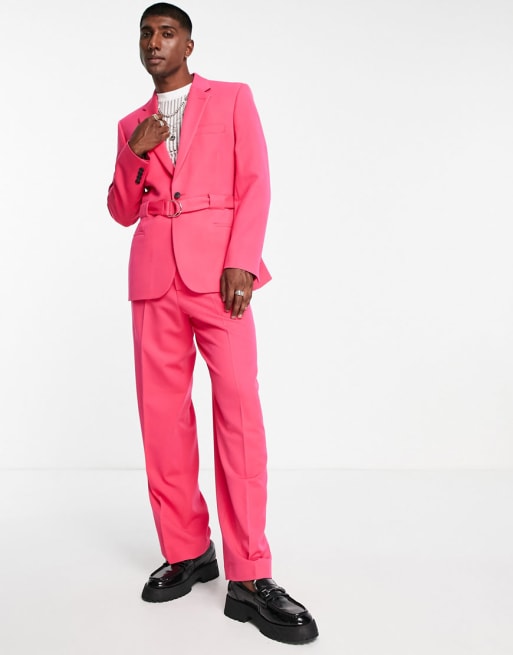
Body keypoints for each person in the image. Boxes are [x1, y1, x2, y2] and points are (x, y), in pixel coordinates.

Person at [107, 3, 318, 645]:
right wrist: (135, 154)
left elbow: (256, 183)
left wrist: (242, 263)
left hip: (219, 278)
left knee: (239, 416)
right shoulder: (131, 124)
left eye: (167, 33)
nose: (154, 43)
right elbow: (120, 209)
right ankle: (188, 551)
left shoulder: (231, 99)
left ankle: (250, 575)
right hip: (154, 281)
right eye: (146, 34)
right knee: (162, 420)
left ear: (189, 45)